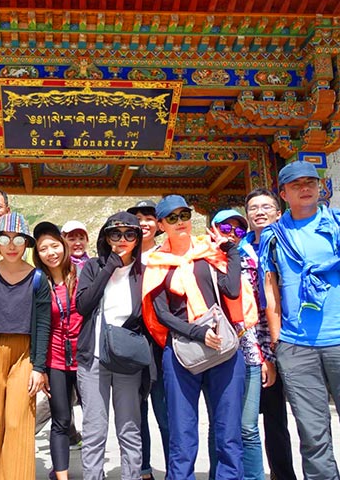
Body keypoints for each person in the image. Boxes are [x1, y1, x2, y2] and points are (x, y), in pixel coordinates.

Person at [259, 161, 340, 480]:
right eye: (296, 184)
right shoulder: (274, 237)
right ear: (283, 193)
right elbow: (270, 290)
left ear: (320, 187)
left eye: (311, 182)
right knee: (313, 438)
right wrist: (279, 343)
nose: (306, 188)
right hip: (297, 347)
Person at [142, 195, 248, 480]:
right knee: (182, 434)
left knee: (228, 432)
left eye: (184, 215)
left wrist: (233, 253)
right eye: (172, 218)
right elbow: (162, 313)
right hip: (181, 350)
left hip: (223, 349)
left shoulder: (209, 252)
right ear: (161, 225)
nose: (180, 222)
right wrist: (199, 333)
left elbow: (232, 291)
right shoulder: (157, 262)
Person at [0, 212, 51, 480]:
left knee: (18, 421)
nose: (12, 245)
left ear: (26, 243)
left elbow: (42, 325)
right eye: (5, 238)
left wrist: (39, 367)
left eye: (18, 239)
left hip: (25, 354)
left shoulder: (38, 279)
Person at [75, 211, 146, 480]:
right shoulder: (94, 267)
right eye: (115, 233)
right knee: (94, 428)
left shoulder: (143, 272)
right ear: (106, 237)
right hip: (93, 357)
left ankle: (132, 476)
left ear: (138, 239)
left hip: (127, 359)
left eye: (130, 234)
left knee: (129, 427)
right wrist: (109, 267)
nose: (122, 239)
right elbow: (83, 305)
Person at [207, 209, 274, 480]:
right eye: (225, 228)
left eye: (237, 230)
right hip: (214, 351)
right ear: (213, 228)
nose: (231, 234)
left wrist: (266, 353)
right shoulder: (200, 259)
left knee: (248, 426)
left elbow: (260, 312)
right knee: (219, 426)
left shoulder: (251, 261)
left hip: (248, 349)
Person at [240, 188, 296, 480]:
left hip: (294, 342)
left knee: (292, 420)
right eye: (253, 208)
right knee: (258, 420)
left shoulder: (292, 244)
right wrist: (262, 354)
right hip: (257, 345)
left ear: (279, 211)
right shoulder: (240, 250)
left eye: (266, 206)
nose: (259, 212)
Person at [32, 221, 84, 480]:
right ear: (37, 254)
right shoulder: (37, 282)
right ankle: (61, 476)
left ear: (63, 245)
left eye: (55, 245)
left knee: (95, 421)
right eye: (44, 248)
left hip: (85, 358)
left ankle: (94, 471)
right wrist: (38, 367)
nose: (51, 252)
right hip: (56, 360)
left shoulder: (82, 273)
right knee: (61, 420)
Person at [127, 199, 169, 480]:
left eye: (149, 217)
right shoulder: (123, 257)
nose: (144, 222)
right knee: (137, 410)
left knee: (167, 411)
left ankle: (175, 467)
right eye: (138, 217)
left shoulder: (167, 254)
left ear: (159, 224)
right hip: (132, 342)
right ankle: (143, 470)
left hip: (163, 343)